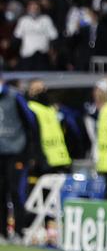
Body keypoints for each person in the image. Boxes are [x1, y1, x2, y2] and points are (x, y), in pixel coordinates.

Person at [22, 80, 73, 237]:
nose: (42, 91)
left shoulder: (51, 109)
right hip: (39, 162)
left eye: (43, 88)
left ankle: (49, 231)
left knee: (52, 200)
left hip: (56, 160)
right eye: (37, 89)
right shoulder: (30, 108)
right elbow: (32, 136)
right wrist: (36, 158)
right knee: (36, 198)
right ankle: (33, 229)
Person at [0, 76, 35, 239]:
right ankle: (2, 232)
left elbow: (30, 123)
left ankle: (19, 231)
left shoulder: (15, 97)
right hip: (1, 153)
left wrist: (28, 153)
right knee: (1, 192)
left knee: (16, 191)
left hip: (16, 152)